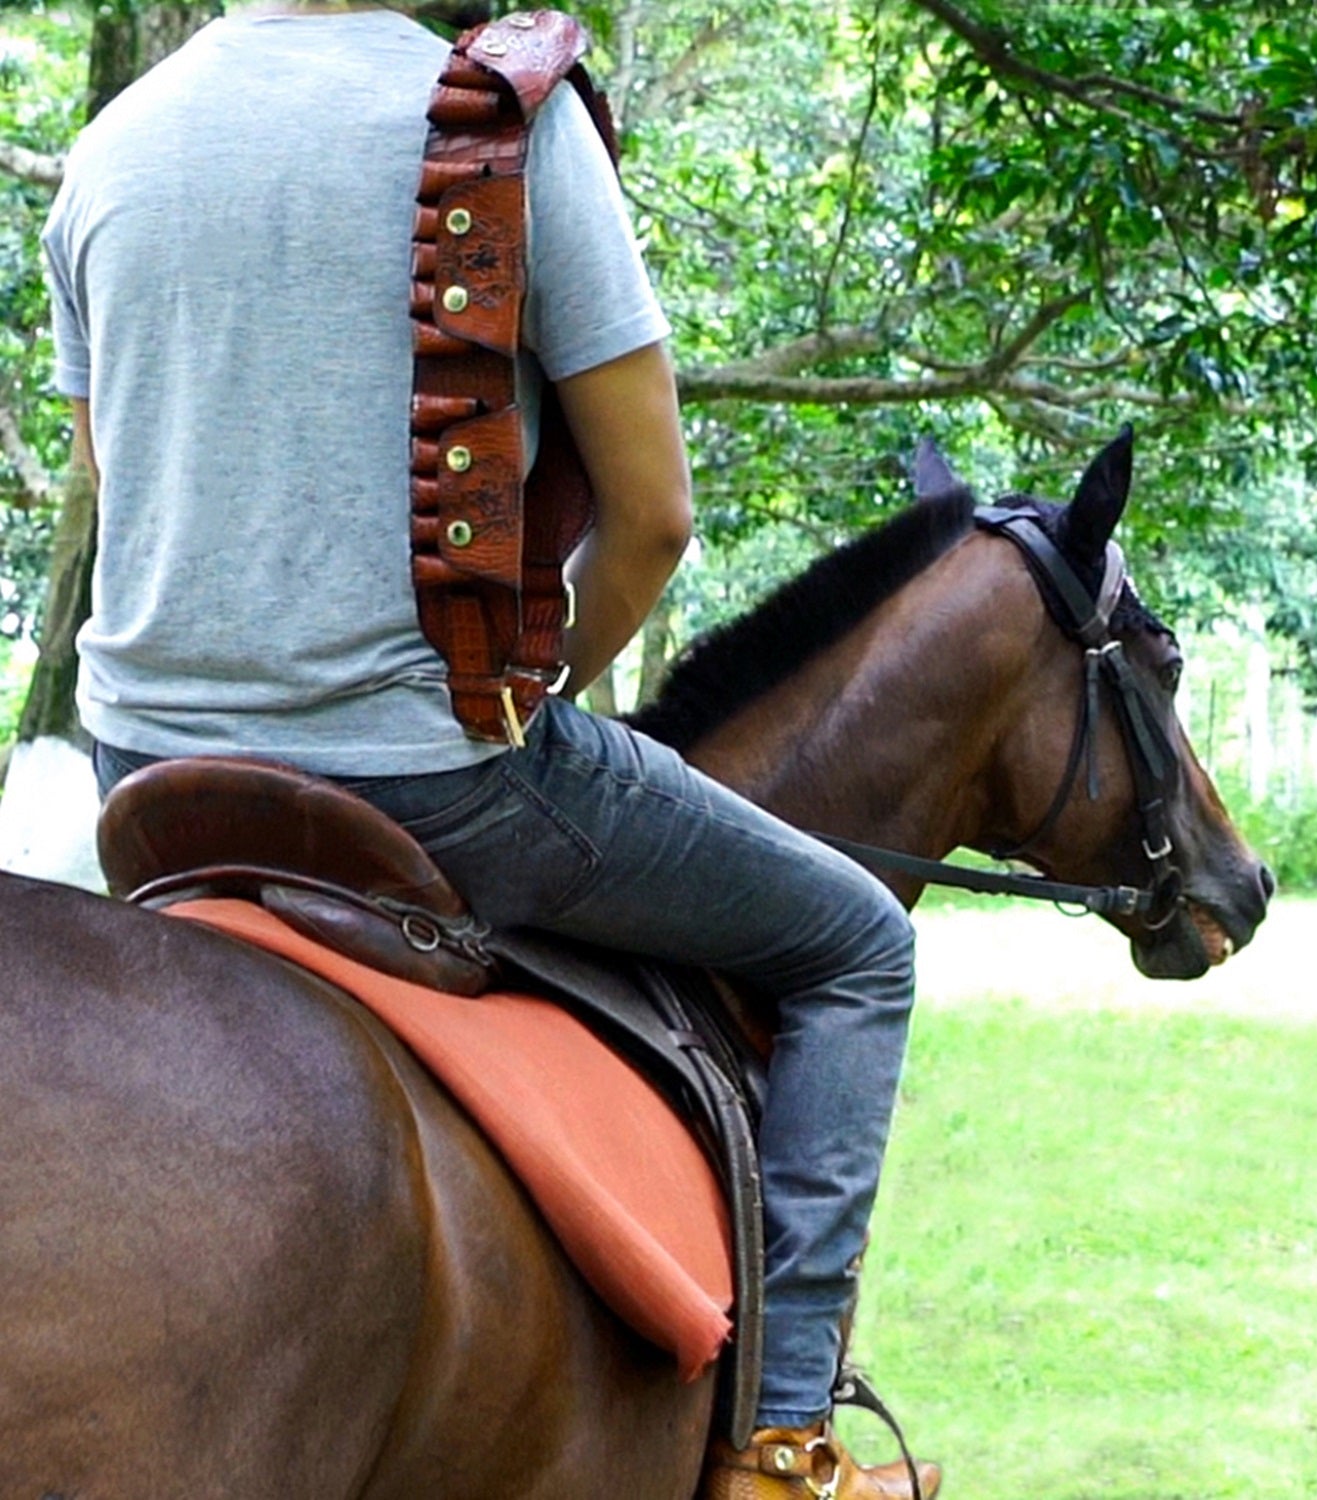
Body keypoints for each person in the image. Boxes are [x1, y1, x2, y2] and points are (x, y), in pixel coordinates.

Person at [42, 5, 939, 1495]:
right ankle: (782, 1449)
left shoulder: (111, 146)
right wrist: (531, 691)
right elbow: (652, 518)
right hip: (432, 781)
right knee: (858, 946)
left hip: (149, 781)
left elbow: (114, 477)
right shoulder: (499, 125)